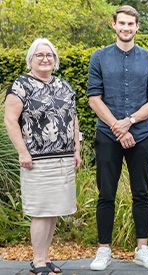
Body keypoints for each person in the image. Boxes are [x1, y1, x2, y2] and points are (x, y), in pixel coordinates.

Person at [87, 5, 148, 271]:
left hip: (140, 135)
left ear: (137, 26)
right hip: (107, 135)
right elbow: (94, 98)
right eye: (122, 23)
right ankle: (103, 250)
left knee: (141, 194)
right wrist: (117, 128)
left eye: (131, 24)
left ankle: (142, 249)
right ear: (114, 24)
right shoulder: (98, 57)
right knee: (106, 193)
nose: (126, 28)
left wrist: (129, 123)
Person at [3, 38, 81, 275]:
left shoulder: (63, 86)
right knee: (40, 210)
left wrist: (77, 149)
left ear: (55, 59)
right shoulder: (20, 85)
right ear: (31, 59)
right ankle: (37, 261)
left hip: (64, 159)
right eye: (40, 55)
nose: (45, 59)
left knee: (54, 210)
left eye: (49, 55)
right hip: (36, 160)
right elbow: (10, 120)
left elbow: (73, 118)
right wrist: (22, 151)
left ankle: (45, 259)